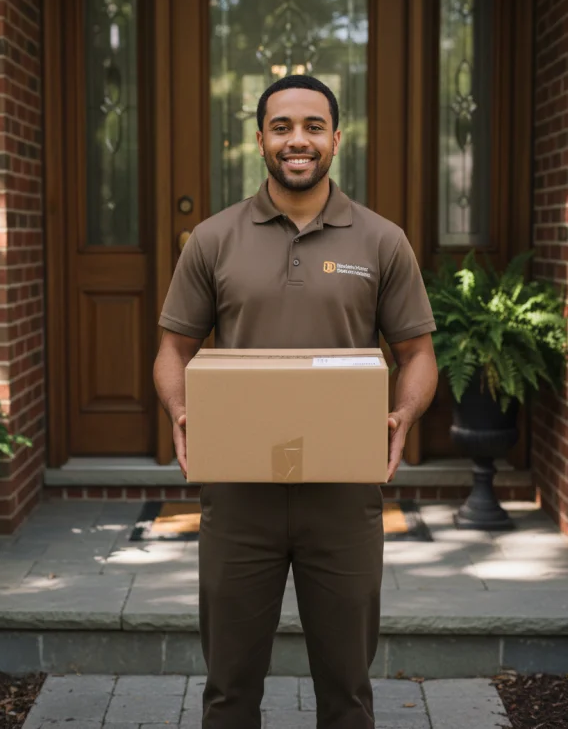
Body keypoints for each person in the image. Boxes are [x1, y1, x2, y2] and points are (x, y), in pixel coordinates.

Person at [153, 74, 438, 729]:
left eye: (313, 126)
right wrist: (179, 411)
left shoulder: (381, 241)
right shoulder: (214, 239)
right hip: (238, 494)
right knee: (228, 693)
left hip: (344, 494)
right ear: (259, 140)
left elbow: (418, 353)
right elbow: (173, 348)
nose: (297, 140)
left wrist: (402, 417)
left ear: (336, 138)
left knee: (348, 695)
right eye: (281, 127)